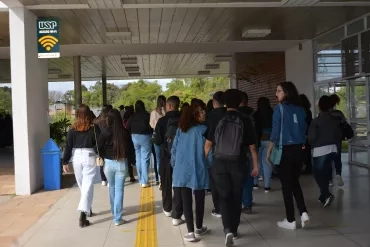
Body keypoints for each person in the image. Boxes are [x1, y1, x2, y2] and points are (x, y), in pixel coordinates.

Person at [205, 89, 258, 246]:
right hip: (239, 163)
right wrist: (256, 165)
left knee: (224, 196)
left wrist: (203, 162)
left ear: (225, 102)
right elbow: (253, 147)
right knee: (236, 196)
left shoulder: (217, 118)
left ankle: (227, 228)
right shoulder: (245, 119)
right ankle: (234, 230)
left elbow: (208, 144)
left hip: (219, 162)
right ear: (240, 102)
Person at [266, 81, 310, 230]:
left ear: (286, 93)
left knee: (286, 186)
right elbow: (304, 129)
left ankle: (291, 220)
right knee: (295, 183)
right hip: (299, 150)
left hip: (285, 150)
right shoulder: (301, 109)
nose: (276, 94)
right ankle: (303, 213)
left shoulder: (280, 109)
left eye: (279, 91)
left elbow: (275, 131)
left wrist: (269, 150)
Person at [171, 103, 210, 242]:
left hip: (181, 169)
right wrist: (208, 165)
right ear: (194, 114)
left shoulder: (181, 130)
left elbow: (174, 150)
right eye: (201, 111)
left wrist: (174, 165)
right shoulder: (204, 130)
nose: (204, 113)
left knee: (186, 200)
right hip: (198, 168)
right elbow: (209, 151)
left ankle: (190, 232)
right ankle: (199, 227)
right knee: (199, 197)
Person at [62, 104, 100, 228]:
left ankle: (87, 210)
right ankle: (83, 216)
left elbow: (68, 146)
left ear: (77, 115)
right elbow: (97, 144)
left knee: (83, 186)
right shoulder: (93, 128)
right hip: (89, 156)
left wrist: (65, 161)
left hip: (76, 157)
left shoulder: (72, 129)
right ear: (89, 114)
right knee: (87, 186)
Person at [98, 109, 135, 225]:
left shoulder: (104, 133)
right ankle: (117, 218)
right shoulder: (124, 132)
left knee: (112, 188)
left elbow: (99, 148)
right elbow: (130, 148)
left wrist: (104, 156)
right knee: (119, 190)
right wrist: (132, 161)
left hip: (108, 164)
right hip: (122, 164)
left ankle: (114, 211)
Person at [153, 96, 184, 226]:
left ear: (169, 106)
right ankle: (179, 210)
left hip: (166, 156)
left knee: (166, 181)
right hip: (182, 158)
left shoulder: (162, 121)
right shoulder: (185, 119)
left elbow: (157, 140)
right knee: (180, 184)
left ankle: (167, 208)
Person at [308, 95, 342, 208]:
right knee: (327, 172)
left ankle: (326, 194)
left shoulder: (316, 121)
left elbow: (311, 138)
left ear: (319, 106)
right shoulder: (335, 120)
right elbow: (339, 134)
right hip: (333, 148)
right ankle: (323, 196)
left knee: (318, 174)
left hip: (320, 149)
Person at [204, 91, 226, 218]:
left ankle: (218, 209)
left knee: (215, 181)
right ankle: (229, 207)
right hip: (231, 152)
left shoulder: (211, 116)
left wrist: (204, 156)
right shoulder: (230, 113)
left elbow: (208, 139)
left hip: (215, 152)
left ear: (213, 102)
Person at [238, 92, 257, 214]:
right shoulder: (254, 113)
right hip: (252, 147)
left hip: (238, 150)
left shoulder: (236, 115)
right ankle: (248, 203)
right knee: (248, 178)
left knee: (238, 178)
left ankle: (240, 202)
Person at [127, 100, 152, 188]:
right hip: (145, 137)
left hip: (134, 137)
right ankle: (144, 181)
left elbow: (127, 127)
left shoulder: (132, 116)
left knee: (138, 158)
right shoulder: (147, 115)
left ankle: (141, 179)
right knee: (145, 158)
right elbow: (152, 126)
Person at [253, 97, 273, 192]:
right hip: (269, 140)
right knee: (267, 162)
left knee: (257, 162)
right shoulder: (272, 113)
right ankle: (267, 186)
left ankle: (255, 183)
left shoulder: (256, 114)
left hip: (258, 140)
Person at [328, 94, 346, 186]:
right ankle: (338, 174)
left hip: (326, 140)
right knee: (337, 158)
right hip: (337, 139)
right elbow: (344, 124)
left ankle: (330, 180)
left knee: (328, 160)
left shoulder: (324, 114)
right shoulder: (339, 113)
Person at [150, 95, 166, 185]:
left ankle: (160, 180)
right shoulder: (166, 112)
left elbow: (151, 125)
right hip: (166, 137)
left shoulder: (153, 112)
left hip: (157, 137)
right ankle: (168, 178)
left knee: (158, 159)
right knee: (167, 158)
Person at [94, 105, 111, 186]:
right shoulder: (110, 120)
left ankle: (103, 179)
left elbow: (95, 133)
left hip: (99, 142)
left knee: (101, 161)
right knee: (109, 160)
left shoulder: (97, 120)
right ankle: (109, 179)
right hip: (109, 142)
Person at [300, 94, 313, 174]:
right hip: (308, 133)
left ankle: (305, 166)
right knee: (307, 151)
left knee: (302, 151)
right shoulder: (308, 110)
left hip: (303, 133)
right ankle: (308, 167)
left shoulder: (301, 111)